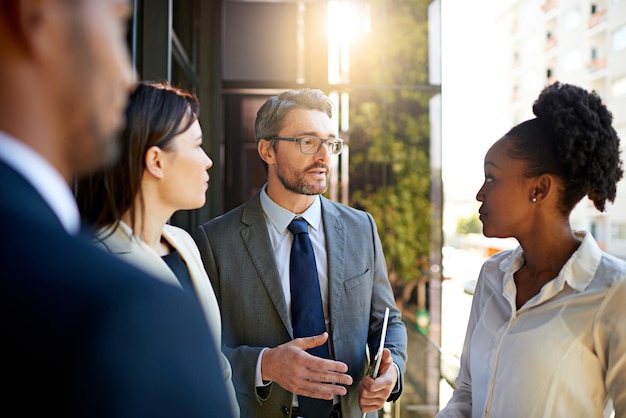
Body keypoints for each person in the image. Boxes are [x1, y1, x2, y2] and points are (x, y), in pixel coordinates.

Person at [0, 1, 235, 417]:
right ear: (156, 161)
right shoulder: (104, 290)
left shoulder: (184, 244)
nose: (128, 77)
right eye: (119, 24)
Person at [194, 88, 408, 418]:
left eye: (331, 143)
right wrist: (266, 365)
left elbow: (387, 321)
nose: (324, 155)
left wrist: (391, 374)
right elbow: (199, 350)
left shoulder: (361, 227)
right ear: (267, 150)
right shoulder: (215, 241)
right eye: (308, 142)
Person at [436, 82, 626, 417]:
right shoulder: (492, 276)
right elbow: (466, 391)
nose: (480, 194)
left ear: (539, 188)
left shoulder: (614, 292)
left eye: (491, 178)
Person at [76, 80, 239, 416]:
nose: (208, 161)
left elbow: (216, 365)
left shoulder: (184, 244)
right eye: (197, 146)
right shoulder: (98, 265)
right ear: (156, 161)